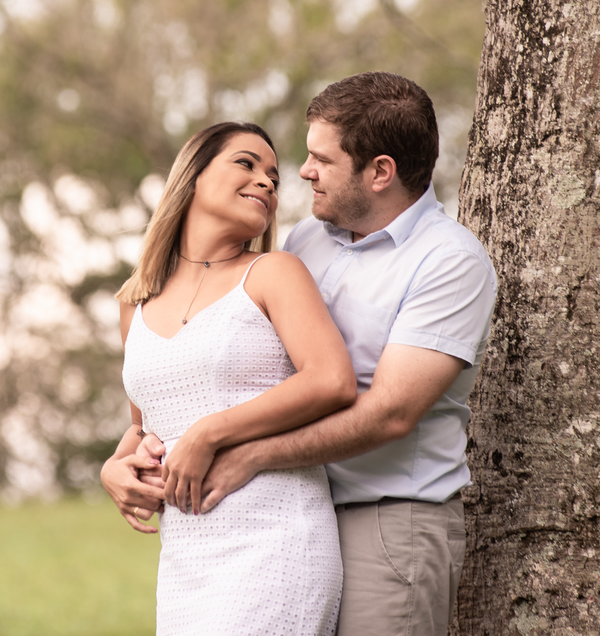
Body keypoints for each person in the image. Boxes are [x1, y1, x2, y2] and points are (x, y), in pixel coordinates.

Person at [106, 72, 497, 636]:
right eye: (257, 166)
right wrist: (120, 463)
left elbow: (388, 410)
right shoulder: (307, 240)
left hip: (386, 516)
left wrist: (249, 450)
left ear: (380, 171)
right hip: (268, 508)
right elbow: (188, 396)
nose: (297, 174)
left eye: (319, 160)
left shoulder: (449, 262)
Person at [104, 121, 358, 636]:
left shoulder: (273, 272)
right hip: (185, 557)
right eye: (246, 163)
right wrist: (114, 467)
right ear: (193, 177)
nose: (266, 181)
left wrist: (209, 431)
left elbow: (332, 380)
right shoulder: (135, 305)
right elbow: (143, 428)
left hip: (276, 540)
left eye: (274, 176)